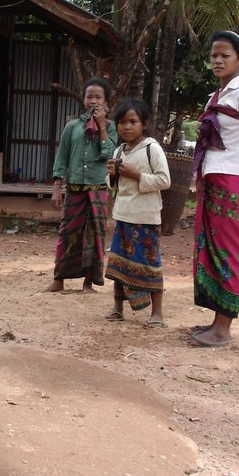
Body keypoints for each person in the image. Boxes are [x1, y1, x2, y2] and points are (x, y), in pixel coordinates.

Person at [189, 30, 239, 347]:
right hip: (213, 179)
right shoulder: (217, 95)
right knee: (210, 248)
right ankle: (215, 321)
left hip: (233, 179)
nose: (218, 60)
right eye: (214, 55)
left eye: (225, 55)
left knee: (229, 252)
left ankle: (223, 330)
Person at [44, 77, 118, 292]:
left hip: (98, 191)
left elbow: (108, 154)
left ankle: (88, 282)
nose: (93, 101)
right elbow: (62, 158)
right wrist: (57, 188)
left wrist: (102, 126)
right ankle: (58, 280)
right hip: (75, 190)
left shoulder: (111, 128)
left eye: (98, 97)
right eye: (89, 96)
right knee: (66, 233)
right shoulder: (72, 127)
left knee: (95, 235)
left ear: (106, 102)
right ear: (83, 99)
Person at [104, 98, 171, 325]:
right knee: (118, 263)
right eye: (122, 122)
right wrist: (112, 174)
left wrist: (137, 175)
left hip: (146, 218)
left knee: (150, 264)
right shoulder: (119, 149)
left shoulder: (152, 148)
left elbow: (164, 180)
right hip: (123, 215)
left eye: (133, 121)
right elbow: (112, 184)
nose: (127, 127)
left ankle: (157, 314)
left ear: (144, 124)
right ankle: (117, 308)